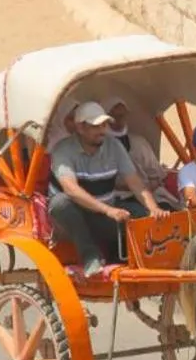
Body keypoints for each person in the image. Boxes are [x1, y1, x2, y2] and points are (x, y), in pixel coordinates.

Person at [47, 100, 165, 272]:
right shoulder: (63, 150)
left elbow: (135, 183)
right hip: (71, 219)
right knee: (61, 203)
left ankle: (146, 260)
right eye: (96, 126)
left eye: (104, 125)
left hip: (102, 213)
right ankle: (90, 256)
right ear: (80, 128)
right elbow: (71, 189)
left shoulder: (114, 146)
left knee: (143, 214)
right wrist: (108, 210)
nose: (102, 130)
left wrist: (153, 208)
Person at [106, 98, 176, 206]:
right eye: (115, 116)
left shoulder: (139, 143)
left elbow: (155, 174)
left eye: (122, 115)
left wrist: (147, 189)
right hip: (119, 197)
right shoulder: (101, 147)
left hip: (149, 193)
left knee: (168, 208)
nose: (119, 119)